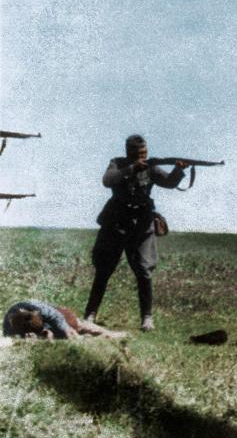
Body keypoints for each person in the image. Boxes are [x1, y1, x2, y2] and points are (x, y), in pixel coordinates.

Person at [83, 135, 187, 332]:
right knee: (104, 269)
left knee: (144, 270)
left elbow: (169, 182)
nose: (143, 157)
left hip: (141, 222)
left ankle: (146, 318)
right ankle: (90, 314)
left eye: (145, 153)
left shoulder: (151, 167)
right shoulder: (117, 164)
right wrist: (131, 169)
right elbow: (107, 180)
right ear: (129, 153)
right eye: (139, 154)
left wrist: (179, 169)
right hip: (116, 220)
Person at [3, 300, 124, 339]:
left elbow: (56, 317)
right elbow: (9, 339)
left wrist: (66, 329)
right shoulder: (9, 326)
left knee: (78, 326)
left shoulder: (36, 307)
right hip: (35, 328)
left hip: (56, 317)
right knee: (50, 336)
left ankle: (110, 334)